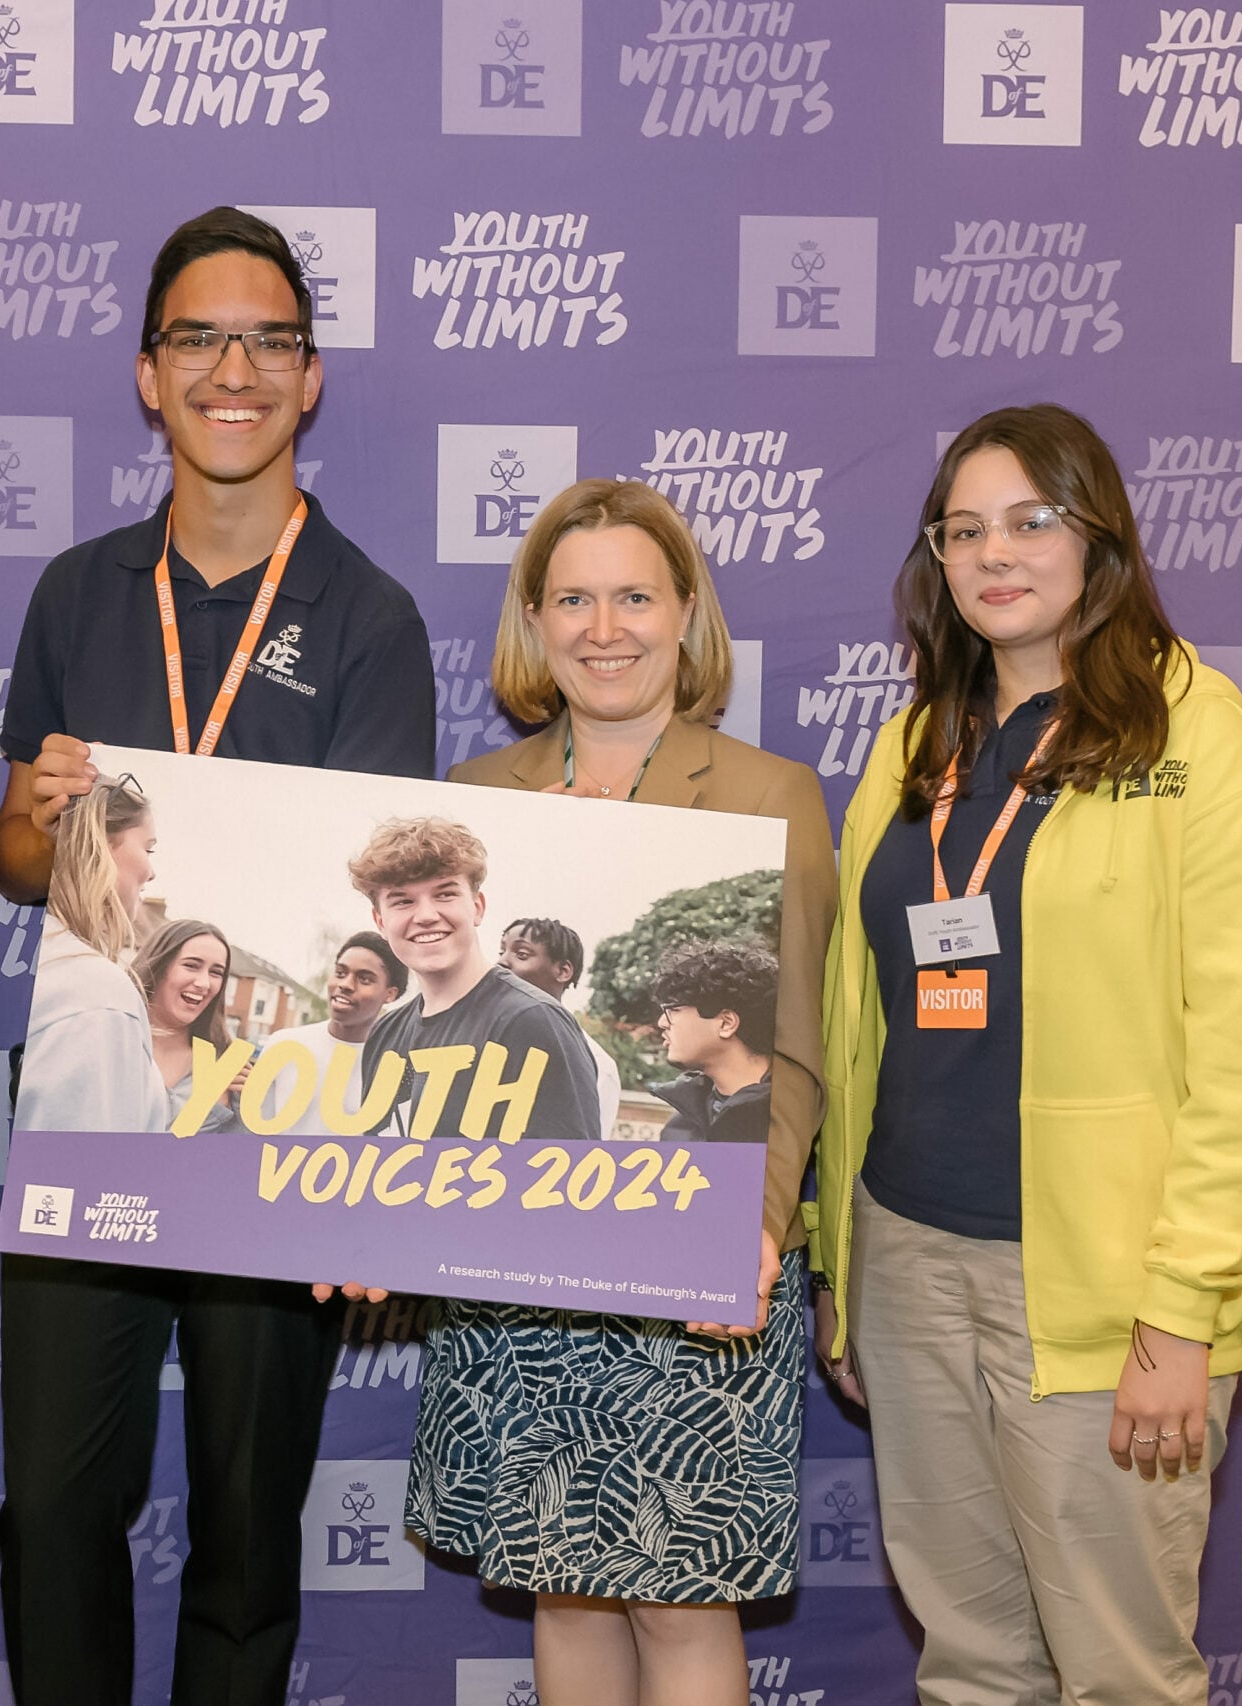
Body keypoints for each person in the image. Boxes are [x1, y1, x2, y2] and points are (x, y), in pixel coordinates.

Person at [0, 204, 434, 1706]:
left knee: (247, 1529)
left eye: (269, 340)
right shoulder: (76, 590)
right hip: (96, 1108)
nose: (233, 367)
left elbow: (365, 922)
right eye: (200, 338)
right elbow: (5, 854)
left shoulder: (371, 616)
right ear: (147, 372)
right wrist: (41, 815)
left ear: (311, 379)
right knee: (54, 1508)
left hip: (271, 1133)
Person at [813, 403, 1242, 1705]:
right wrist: (843, 1261)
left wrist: (1180, 1313)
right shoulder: (912, 744)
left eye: (1032, 519)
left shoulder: (1201, 752)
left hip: (1102, 1294)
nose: (996, 551)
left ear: (1100, 536)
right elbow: (859, 1020)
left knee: (1121, 1674)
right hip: (911, 1260)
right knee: (974, 1660)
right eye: (963, 527)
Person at [403, 477, 839, 1706]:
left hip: (700, 1250)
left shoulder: (771, 791)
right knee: (563, 1580)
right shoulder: (476, 797)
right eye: (575, 598)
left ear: (685, 610)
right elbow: (447, 1046)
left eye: (636, 596)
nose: (606, 627)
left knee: (683, 1597)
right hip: (520, 1251)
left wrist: (751, 1227)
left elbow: (795, 1043)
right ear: (534, 620)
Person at [348, 819, 605, 1146]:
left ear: (477, 907)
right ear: (380, 922)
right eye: (403, 900)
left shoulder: (533, 1021)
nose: (426, 915)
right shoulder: (385, 1033)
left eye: (444, 894)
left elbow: (574, 1179)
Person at [14, 774, 167, 1135]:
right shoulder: (98, 991)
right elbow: (90, 1173)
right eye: (148, 849)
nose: (151, 871)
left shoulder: (40, 957)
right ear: (102, 843)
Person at [248, 932, 407, 1136]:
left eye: (365, 979)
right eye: (340, 973)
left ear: (390, 994)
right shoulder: (283, 1045)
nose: (346, 985)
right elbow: (255, 1135)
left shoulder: (399, 1064)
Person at [497, 916, 624, 1139]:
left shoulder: (596, 1062)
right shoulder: (478, 1038)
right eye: (502, 952)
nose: (502, 962)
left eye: (522, 954)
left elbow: (585, 1152)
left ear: (563, 971)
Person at [649, 939, 778, 1147]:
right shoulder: (680, 1128)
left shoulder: (790, 1122)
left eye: (674, 1010)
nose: (662, 1023)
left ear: (726, 1023)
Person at [133, 918, 241, 1131]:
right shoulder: (114, 1041)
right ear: (158, 966)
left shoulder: (227, 1065)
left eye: (216, 972)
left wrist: (240, 1104)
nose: (204, 983)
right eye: (191, 966)